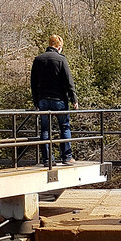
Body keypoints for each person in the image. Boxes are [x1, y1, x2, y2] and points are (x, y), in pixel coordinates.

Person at [30, 34, 78, 164]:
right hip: (59, 100)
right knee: (64, 127)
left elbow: (33, 83)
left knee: (45, 129)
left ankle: (47, 159)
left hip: (43, 99)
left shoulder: (38, 59)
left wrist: (36, 101)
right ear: (59, 46)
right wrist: (74, 99)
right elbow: (69, 81)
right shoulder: (61, 60)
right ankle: (67, 157)